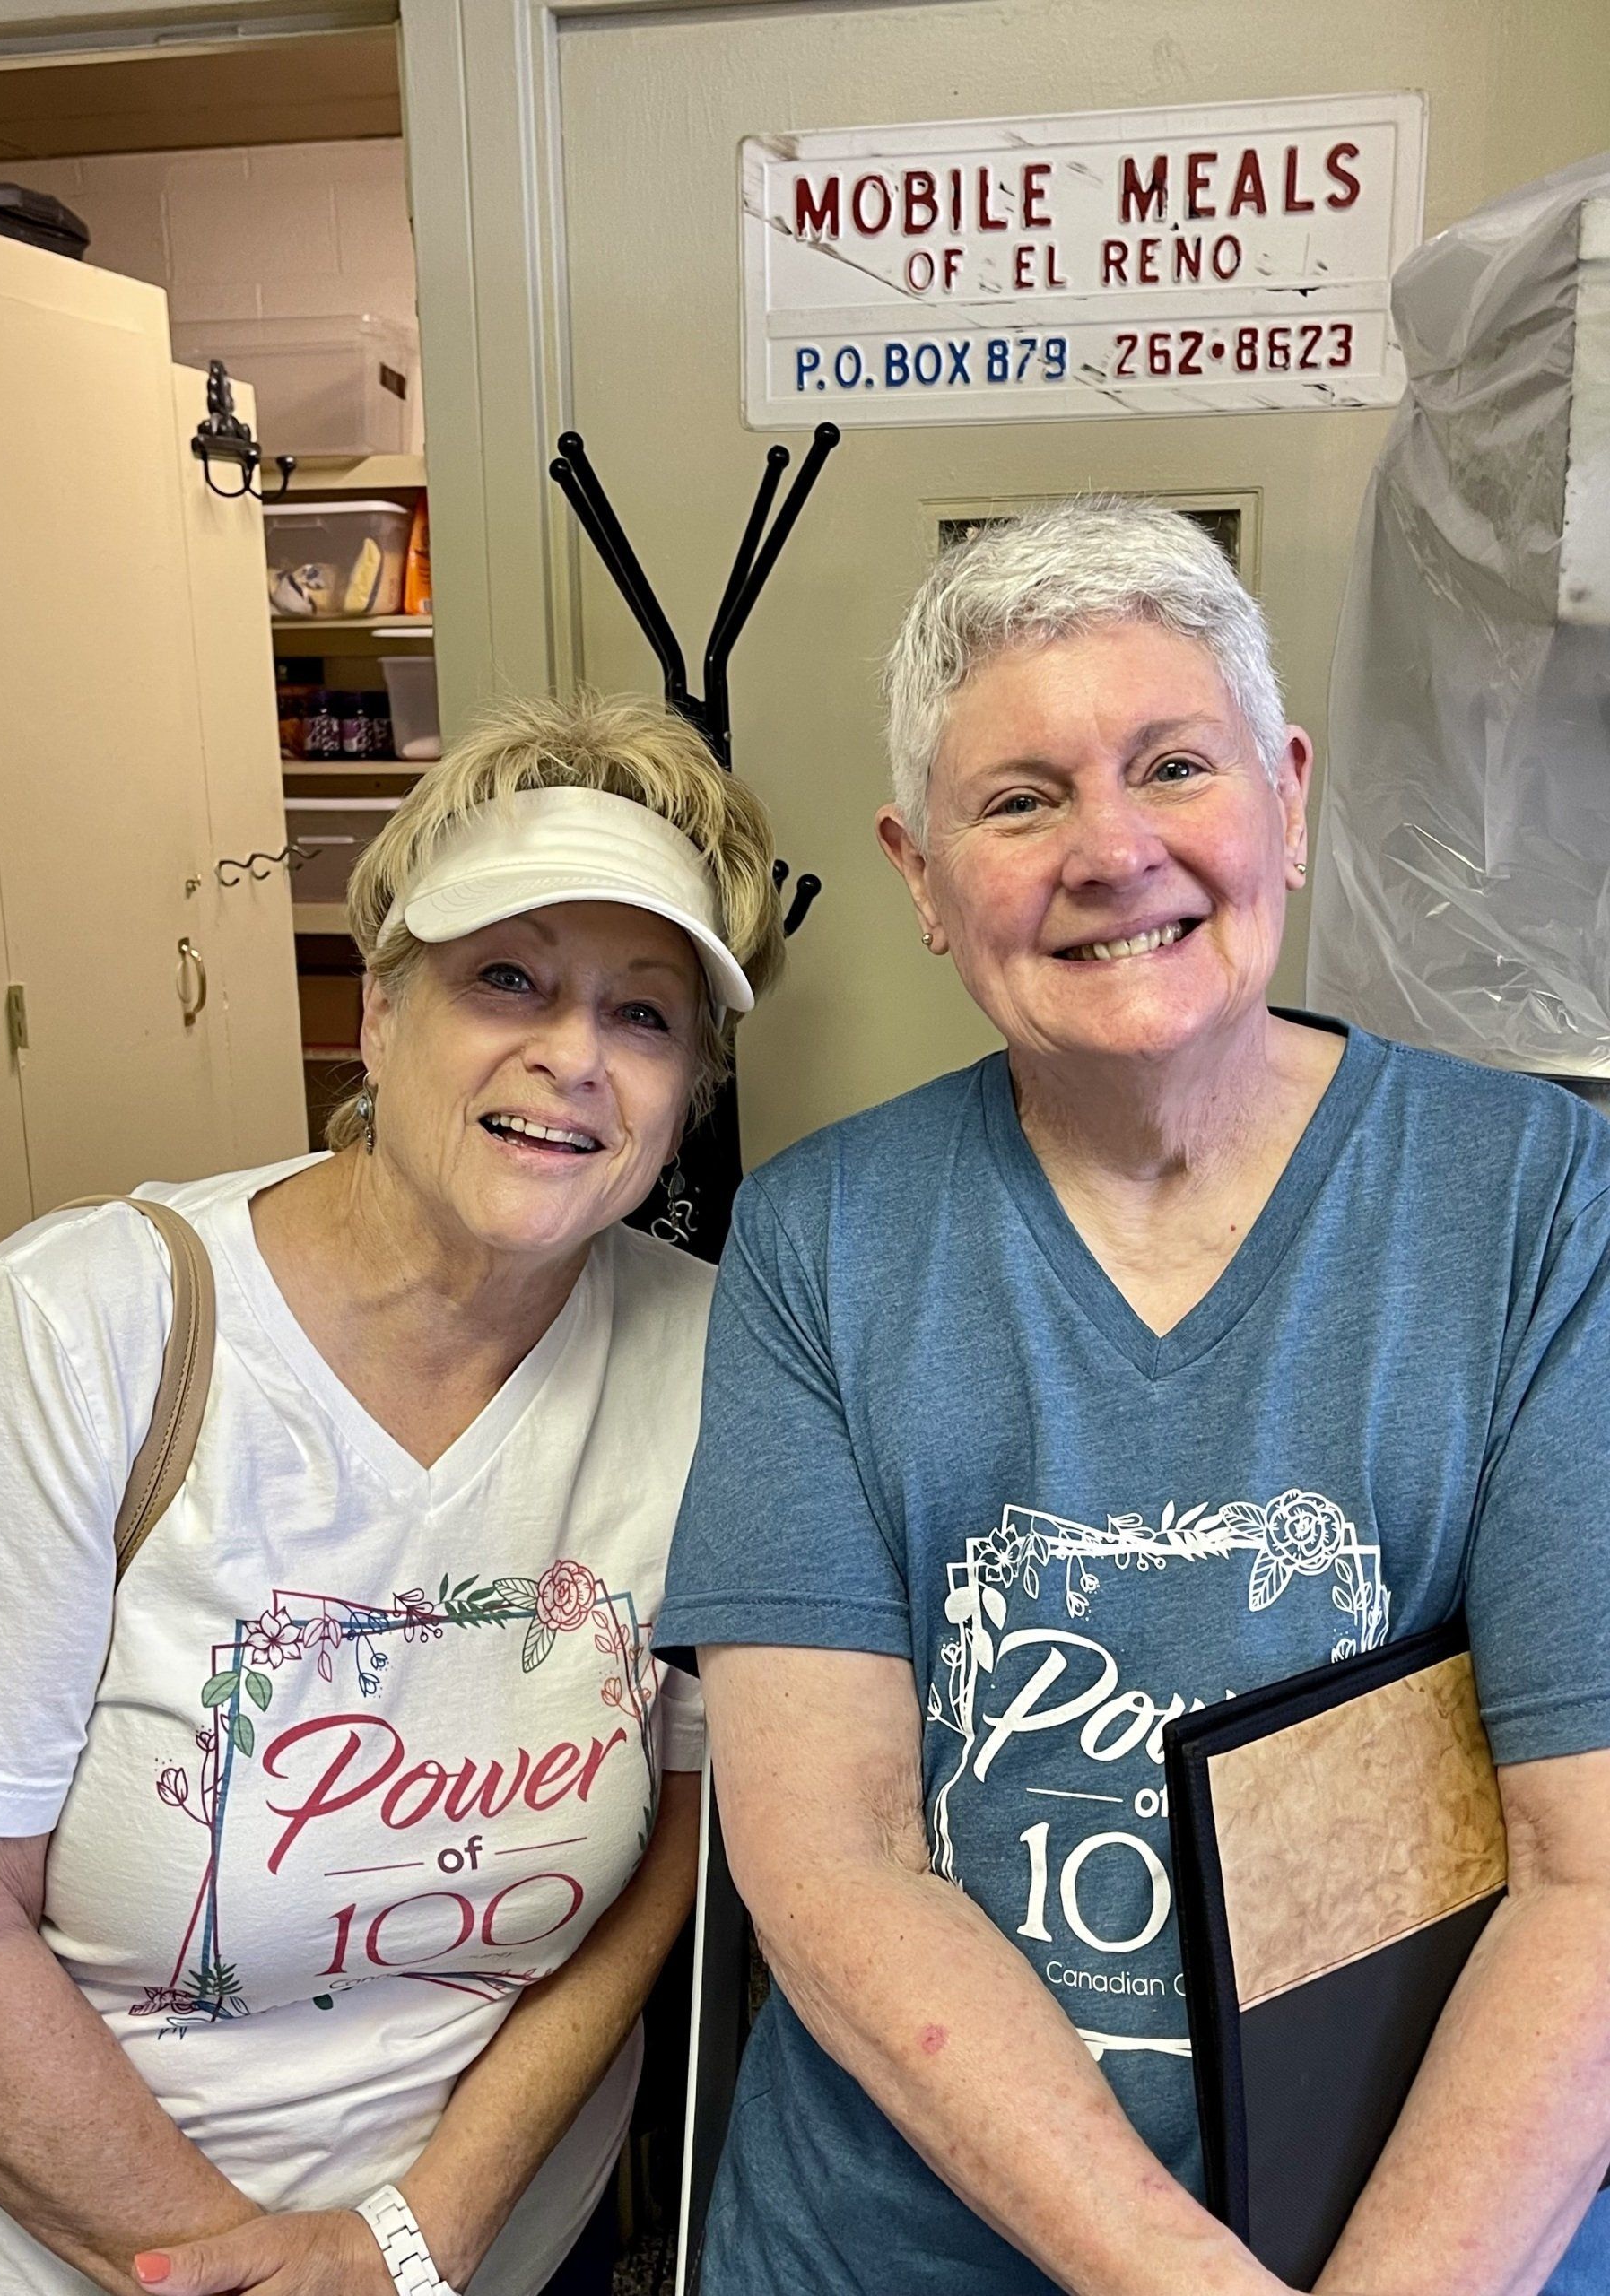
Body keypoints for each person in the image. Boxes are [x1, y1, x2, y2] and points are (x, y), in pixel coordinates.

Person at [656, 500, 1610, 2296]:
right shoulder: (822, 1241)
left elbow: (1595, 1869)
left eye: (1175, 765)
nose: (1112, 848)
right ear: (921, 876)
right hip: (910, 2239)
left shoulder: (1543, 1204)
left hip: (1424, 2230)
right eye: (1019, 799)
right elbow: (833, 1852)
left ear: (1291, 798)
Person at [0, 690, 784, 2296]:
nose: (571, 1056)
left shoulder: (713, 1362)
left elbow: (680, 1829)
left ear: (688, 1090)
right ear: (378, 1016)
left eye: (644, 1015)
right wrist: (238, 2266)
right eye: (505, 976)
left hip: (499, 2242)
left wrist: (415, 2237)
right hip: (49, 2253)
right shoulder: (85, 1325)